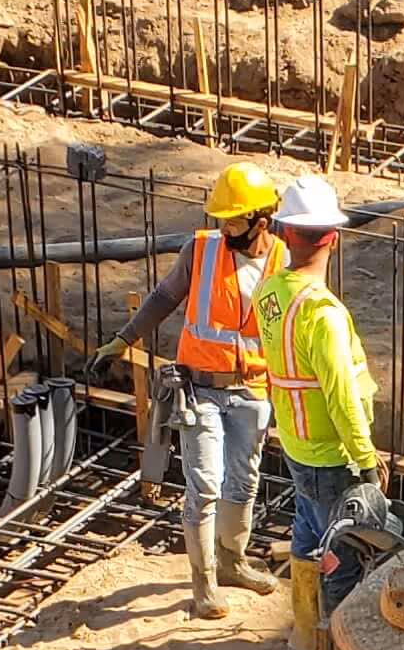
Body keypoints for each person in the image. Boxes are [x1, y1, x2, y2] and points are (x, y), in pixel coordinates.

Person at [97, 160, 283, 618]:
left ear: (261, 221)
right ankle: (204, 584)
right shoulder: (200, 250)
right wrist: (124, 339)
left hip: (253, 391)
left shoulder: (284, 261)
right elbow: (164, 297)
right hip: (201, 391)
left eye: (234, 219)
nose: (224, 227)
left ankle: (233, 562)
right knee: (204, 486)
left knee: (245, 480)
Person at [259, 171, 378, 650]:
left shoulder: (269, 293)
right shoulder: (323, 314)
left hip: (294, 440)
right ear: (333, 236)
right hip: (332, 453)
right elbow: (341, 395)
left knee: (308, 532)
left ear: (285, 234)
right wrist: (366, 459)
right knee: (342, 553)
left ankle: (306, 634)